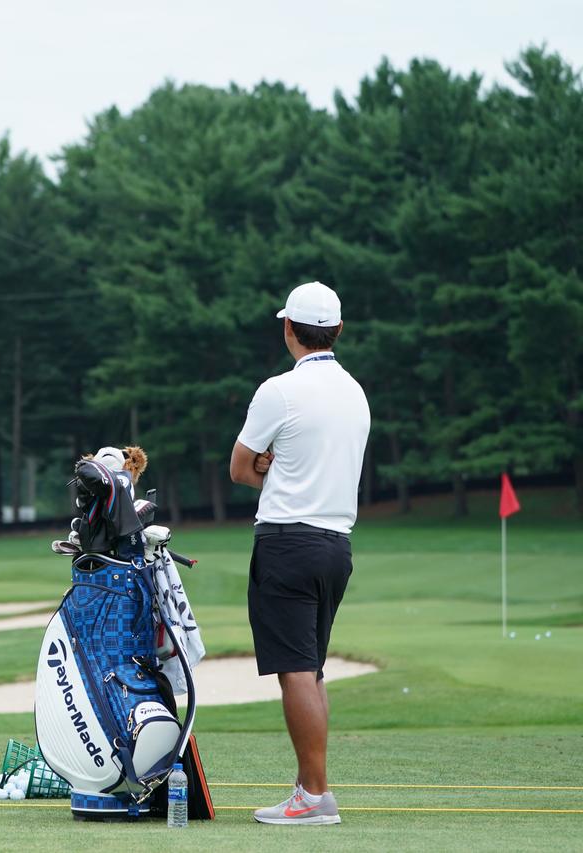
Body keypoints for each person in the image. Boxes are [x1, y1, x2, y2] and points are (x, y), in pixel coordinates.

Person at [229, 281, 370, 826]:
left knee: (294, 672)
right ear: (338, 330)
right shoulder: (355, 392)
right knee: (310, 671)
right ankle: (310, 790)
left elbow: (240, 468)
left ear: (289, 328)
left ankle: (313, 797)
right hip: (337, 546)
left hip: (288, 542)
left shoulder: (279, 391)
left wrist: (267, 468)